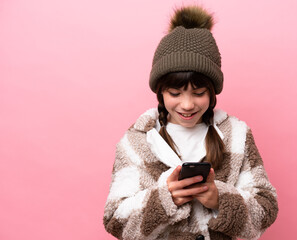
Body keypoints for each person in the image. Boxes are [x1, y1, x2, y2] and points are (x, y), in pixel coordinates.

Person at [103, 5, 278, 240]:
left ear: (213, 92)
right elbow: (115, 220)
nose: (187, 105)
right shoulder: (136, 141)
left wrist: (220, 199)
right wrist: (165, 199)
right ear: (161, 93)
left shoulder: (237, 135)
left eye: (198, 93)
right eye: (175, 93)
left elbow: (266, 208)